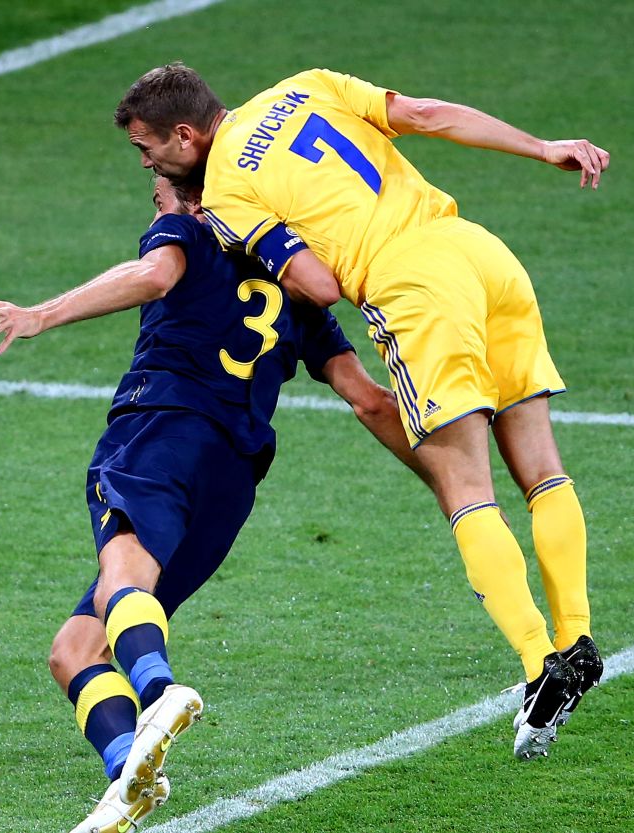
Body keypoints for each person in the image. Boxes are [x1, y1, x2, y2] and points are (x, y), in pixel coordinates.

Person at [112, 64, 606, 759]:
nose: (146, 162)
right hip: (482, 253)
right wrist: (544, 146)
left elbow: (322, 284)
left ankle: (537, 661)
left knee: (464, 483)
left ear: (186, 136)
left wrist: (273, 252)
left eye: (148, 149)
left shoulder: (225, 190)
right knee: (543, 470)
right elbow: (430, 113)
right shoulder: (302, 86)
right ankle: (576, 634)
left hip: (416, 285)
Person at [0, 177, 422, 832]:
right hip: (229, 487)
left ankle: (159, 691)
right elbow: (370, 399)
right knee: (75, 646)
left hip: (162, 435)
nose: (155, 209)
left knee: (122, 577)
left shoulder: (190, 230)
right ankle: (130, 776)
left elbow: (154, 274)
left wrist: (44, 313)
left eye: (159, 196)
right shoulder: (298, 294)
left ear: (201, 197)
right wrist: (452, 487)